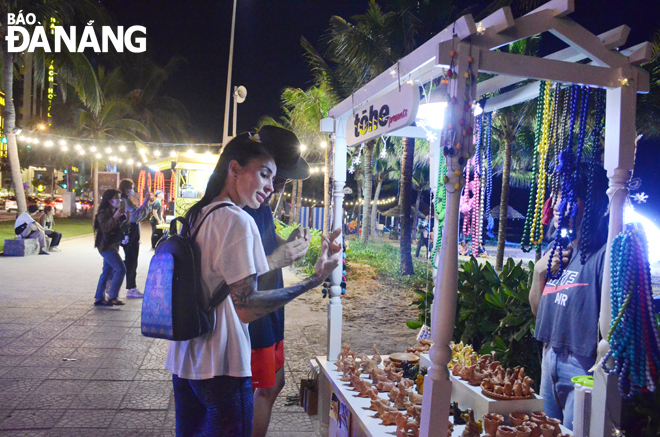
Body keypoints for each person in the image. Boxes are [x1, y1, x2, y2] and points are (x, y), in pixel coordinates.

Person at [164, 133, 341, 437]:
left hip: (185, 359)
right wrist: (314, 280)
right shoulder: (238, 220)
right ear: (234, 169)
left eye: (275, 178)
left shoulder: (198, 213)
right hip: (220, 366)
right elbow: (246, 308)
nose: (272, 187)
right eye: (264, 174)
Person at [528, 163, 610, 430]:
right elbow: (539, 313)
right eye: (559, 196)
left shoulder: (603, 255)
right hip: (549, 357)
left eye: (568, 196)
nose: (559, 205)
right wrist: (538, 274)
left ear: (590, 204)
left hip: (582, 367)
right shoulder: (558, 250)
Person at [245, 126, 312, 437]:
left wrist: (292, 242)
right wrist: (275, 259)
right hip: (255, 308)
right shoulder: (244, 206)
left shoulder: (261, 205)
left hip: (271, 305)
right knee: (264, 386)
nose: (277, 186)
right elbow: (240, 268)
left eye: (282, 180)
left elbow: (270, 242)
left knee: (275, 382)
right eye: (274, 177)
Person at [93, 189, 131, 306]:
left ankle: (99, 298)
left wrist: (126, 218)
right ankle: (112, 296)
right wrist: (115, 217)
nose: (119, 201)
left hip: (113, 245)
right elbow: (105, 227)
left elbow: (120, 229)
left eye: (120, 198)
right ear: (109, 200)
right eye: (117, 198)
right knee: (121, 269)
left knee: (107, 272)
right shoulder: (103, 213)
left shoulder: (115, 211)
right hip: (105, 246)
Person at [119, 178, 153, 299]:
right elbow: (136, 217)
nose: (133, 191)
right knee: (131, 261)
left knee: (129, 261)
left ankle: (115, 279)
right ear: (126, 189)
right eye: (132, 188)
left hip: (129, 234)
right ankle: (131, 288)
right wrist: (145, 204)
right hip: (130, 234)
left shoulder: (125, 201)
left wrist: (145, 204)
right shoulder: (124, 202)